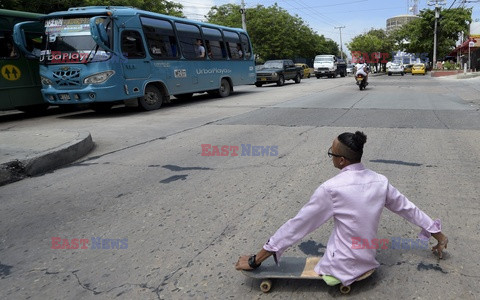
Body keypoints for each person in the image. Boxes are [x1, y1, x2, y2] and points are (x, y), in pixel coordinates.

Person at [235, 131, 448, 287]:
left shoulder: (331, 188)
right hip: (367, 259)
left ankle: (334, 275)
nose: (331, 157)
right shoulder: (380, 182)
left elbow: (298, 225)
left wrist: (257, 259)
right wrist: (438, 235)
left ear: (342, 160)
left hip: (340, 266)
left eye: (332, 154)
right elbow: (408, 209)